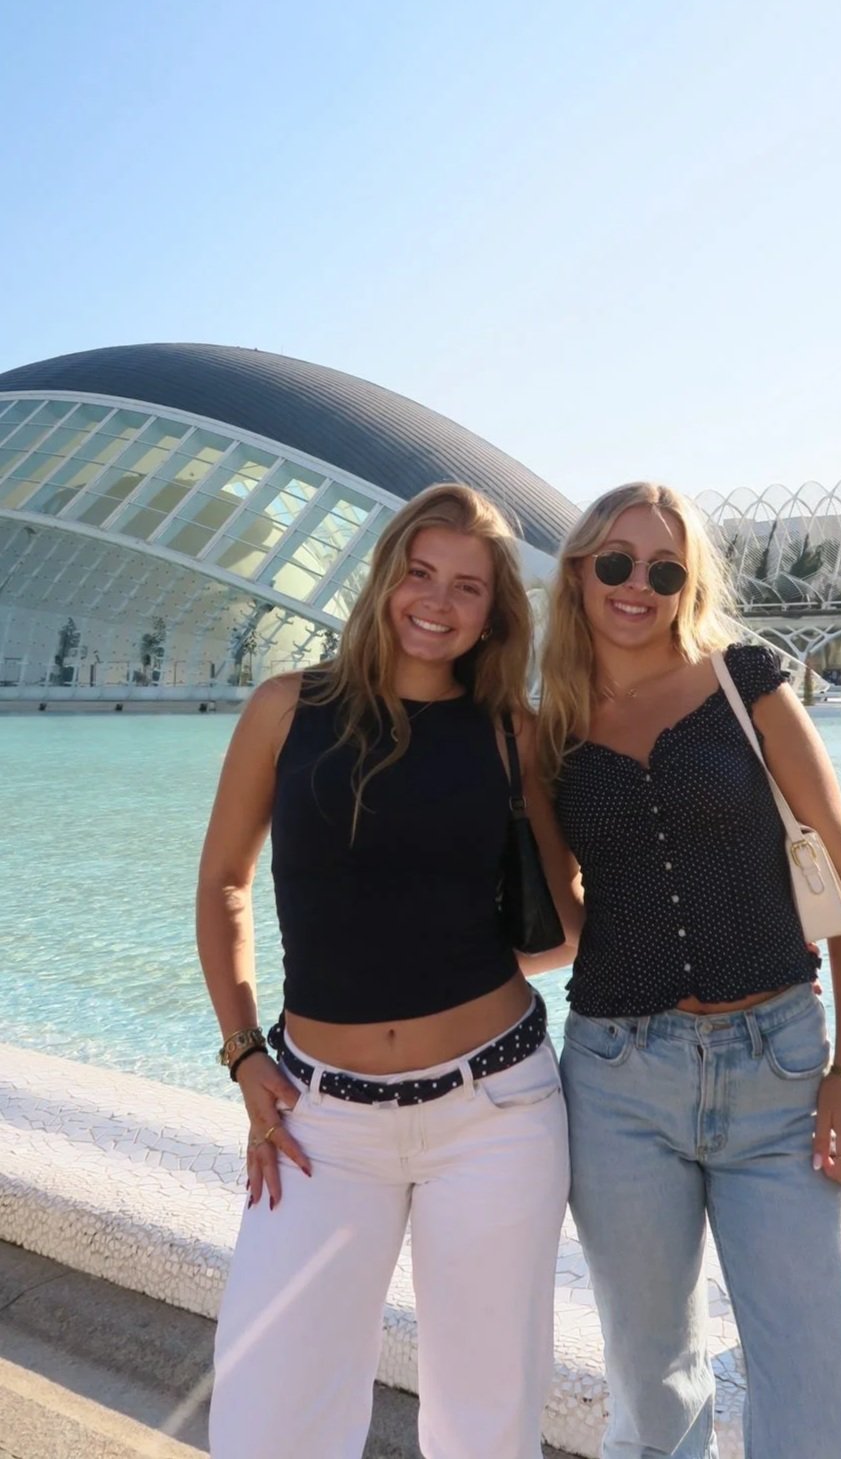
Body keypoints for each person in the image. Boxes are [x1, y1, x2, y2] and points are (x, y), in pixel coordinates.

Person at [197, 483, 578, 1459]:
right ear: (385, 576)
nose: (437, 603)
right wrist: (244, 1055)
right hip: (320, 1118)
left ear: (494, 611)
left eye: (466, 587)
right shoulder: (289, 707)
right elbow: (225, 886)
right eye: (420, 573)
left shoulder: (511, 732)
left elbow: (563, 927)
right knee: (266, 1422)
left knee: (484, 1424)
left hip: (493, 1110)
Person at [537, 482, 841, 1459]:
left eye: (663, 568)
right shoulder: (550, 726)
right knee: (655, 1400)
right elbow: (555, 925)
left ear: (687, 583)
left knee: (817, 1399)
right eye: (614, 562)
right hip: (617, 1083)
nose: (635, 584)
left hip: (776, 1070)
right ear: (579, 571)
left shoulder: (744, 681)